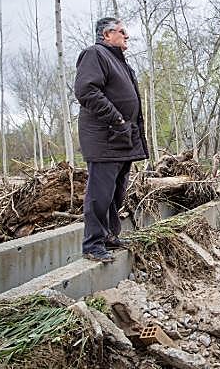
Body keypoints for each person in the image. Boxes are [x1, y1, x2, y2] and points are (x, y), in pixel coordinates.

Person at [74, 17, 148, 262]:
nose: (127, 36)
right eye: (122, 31)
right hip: (105, 137)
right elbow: (86, 91)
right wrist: (117, 119)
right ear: (106, 35)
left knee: (116, 192)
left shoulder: (121, 63)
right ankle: (92, 245)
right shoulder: (95, 54)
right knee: (100, 193)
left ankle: (108, 236)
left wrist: (128, 127)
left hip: (122, 138)